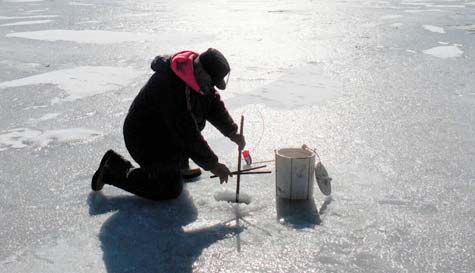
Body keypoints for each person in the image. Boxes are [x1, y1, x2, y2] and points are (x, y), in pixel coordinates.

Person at [91, 48, 245, 200]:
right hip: (144, 138)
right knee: (168, 187)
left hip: (166, 135)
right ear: (201, 69)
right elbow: (186, 132)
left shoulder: (197, 79)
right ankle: (113, 169)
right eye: (211, 82)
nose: (210, 87)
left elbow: (212, 104)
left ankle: (178, 165)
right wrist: (213, 165)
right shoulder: (171, 85)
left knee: (197, 111)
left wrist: (232, 132)